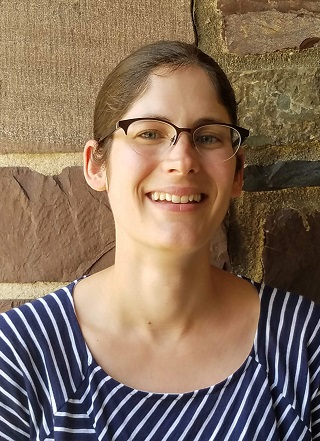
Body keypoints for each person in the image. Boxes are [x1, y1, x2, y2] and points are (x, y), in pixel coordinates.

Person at [0, 41, 320, 441]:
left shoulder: (304, 345)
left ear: (237, 172)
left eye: (208, 137)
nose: (182, 159)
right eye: (150, 132)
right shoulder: (18, 355)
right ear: (96, 166)